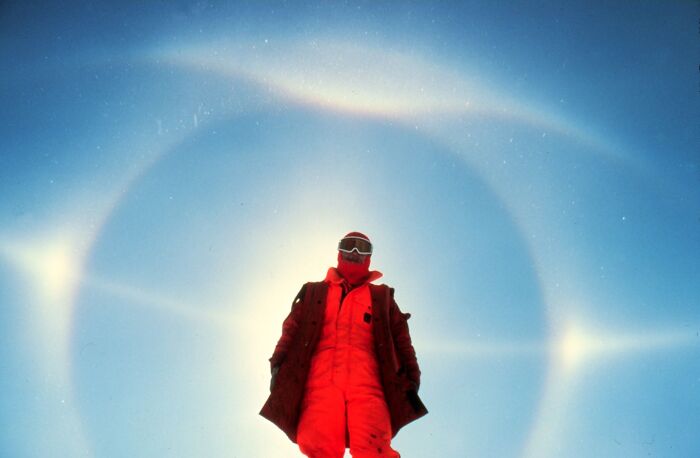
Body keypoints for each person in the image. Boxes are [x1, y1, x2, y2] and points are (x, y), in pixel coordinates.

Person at [260, 232, 427, 458]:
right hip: (319, 381)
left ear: (369, 257)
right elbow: (291, 330)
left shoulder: (381, 296)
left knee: (374, 446)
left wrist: (412, 376)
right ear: (339, 252)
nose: (355, 253)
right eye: (349, 246)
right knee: (318, 443)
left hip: (369, 382)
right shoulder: (314, 291)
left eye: (362, 248)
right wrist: (277, 365)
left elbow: (402, 339)